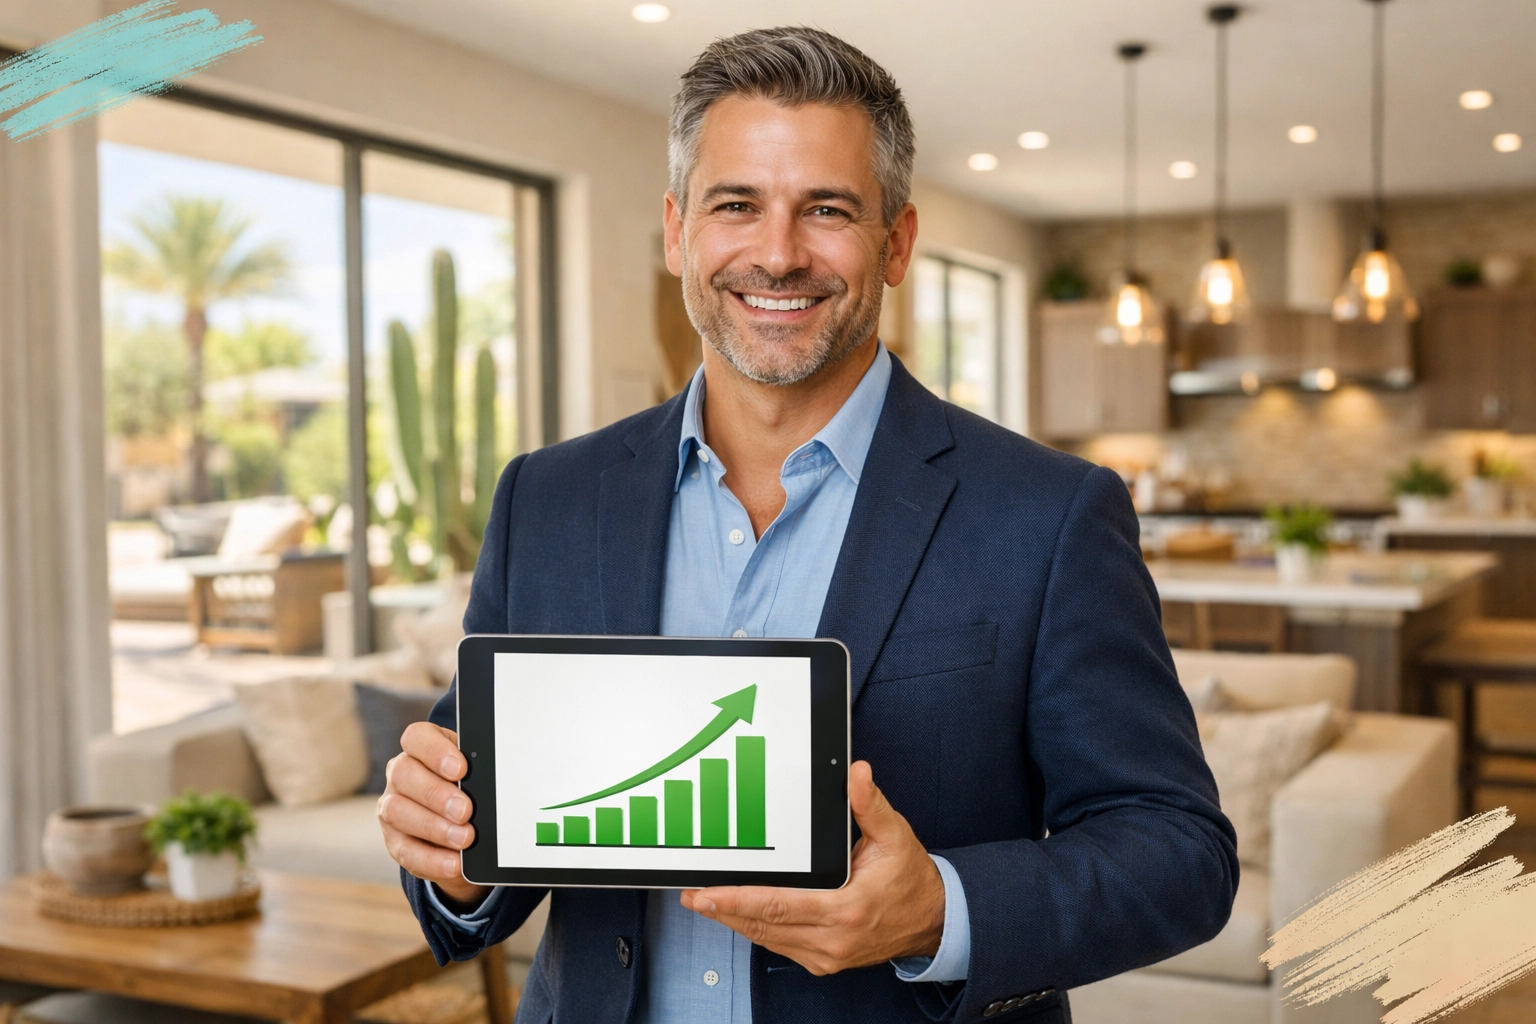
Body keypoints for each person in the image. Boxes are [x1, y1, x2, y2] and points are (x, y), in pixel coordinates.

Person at [377, 26, 1236, 1024]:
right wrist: (454, 858)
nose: (778, 254)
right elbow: (482, 833)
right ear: (677, 231)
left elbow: (1179, 851)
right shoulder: (547, 498)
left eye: (826, 210)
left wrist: (938, 912)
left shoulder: (1048, 512)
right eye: (735, 204)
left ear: (896, 243)